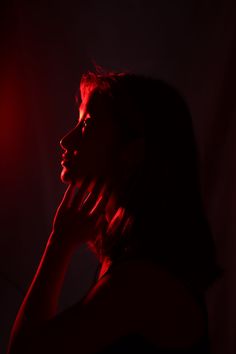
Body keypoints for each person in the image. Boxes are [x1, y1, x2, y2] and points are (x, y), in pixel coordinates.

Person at [7, 71, 222, 354]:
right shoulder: (127, 265)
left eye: (88, 125)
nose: (65, 141)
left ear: (131, 152)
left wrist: (58, 244)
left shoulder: (138, 284)